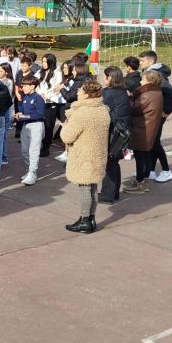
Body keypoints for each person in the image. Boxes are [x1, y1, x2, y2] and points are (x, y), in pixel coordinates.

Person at [59, 80, 111, 234]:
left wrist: (65, 127)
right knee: (93, 186)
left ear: (87, 95)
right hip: (98, 153)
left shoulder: (82, 113)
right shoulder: (103, 109)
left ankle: (85, 220)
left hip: (84, 155)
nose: (77, 92)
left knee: (85, 187)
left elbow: (67, 137)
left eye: (80, 90)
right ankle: (90, 219)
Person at [123, 71, 164, 194]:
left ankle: (140, 182)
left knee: (140, 157)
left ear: (150, 81)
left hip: (142, 129)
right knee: (145, 155)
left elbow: (134, 109)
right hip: (147, 127)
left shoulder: (147, 95)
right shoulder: (156, 92)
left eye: (143, 79)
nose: (140, 81)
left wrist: (129, 97)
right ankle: (143, 181)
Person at [139, 50, 172, 183]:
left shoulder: (156, 74)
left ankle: (167, 171)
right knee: (152, 141)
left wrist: (166, 111)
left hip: (158, 115)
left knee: (154, 143)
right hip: (154, 113)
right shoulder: (152, 72)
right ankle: (150, 171)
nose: (140, 63)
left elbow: (171, 92)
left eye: (142, 60)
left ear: (151, 61)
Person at [98, 67, 131, 203]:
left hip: (114, 133)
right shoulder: (122, 91)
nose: (103, 79)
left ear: (110, 78)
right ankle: (114, 193)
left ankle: (107, 196)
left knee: (109, 164)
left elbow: (100, 110)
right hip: (121, 132)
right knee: (114, 163)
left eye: (104, 76)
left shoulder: (109, 93)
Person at [14, 75, 45, 186]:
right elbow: (23, 110)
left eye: (25, 86)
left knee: (33, 150)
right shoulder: (25, 97)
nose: (23, 88)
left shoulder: (38, 98)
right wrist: (19, 113)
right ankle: (29, 170)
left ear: (33, 86)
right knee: (24, 150)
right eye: (23, 85)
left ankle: (32, 172)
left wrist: (24, 116)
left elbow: (40, 114)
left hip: (36, 125)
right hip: (25, 125)